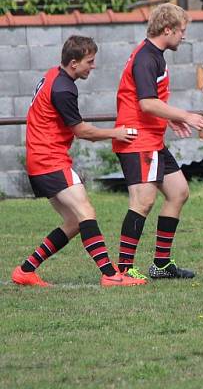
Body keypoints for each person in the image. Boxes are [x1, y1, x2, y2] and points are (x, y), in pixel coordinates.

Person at [12, 36, 146, 287]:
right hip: (50, 160)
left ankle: (25, 270)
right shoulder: (63, 88)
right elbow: (82, 131)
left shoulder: (54, 76)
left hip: (40, 160)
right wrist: (115, 133)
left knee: (74, 222)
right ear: (74, 63)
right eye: (89, 61)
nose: (93, 66)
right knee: (86, 213)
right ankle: (110, 274)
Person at [113, 3, 203, 280]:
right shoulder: (147, 57)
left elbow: (147, 101)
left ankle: (161, 264)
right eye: (181, 31)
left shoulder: (155, 55)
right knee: (143, 201)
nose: (184, 36)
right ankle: (123, 269)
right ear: (167, 30)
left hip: (152, 138)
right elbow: (145, 103)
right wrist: (186, 115)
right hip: (137, 139)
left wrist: (169, 119)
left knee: (178, 191)